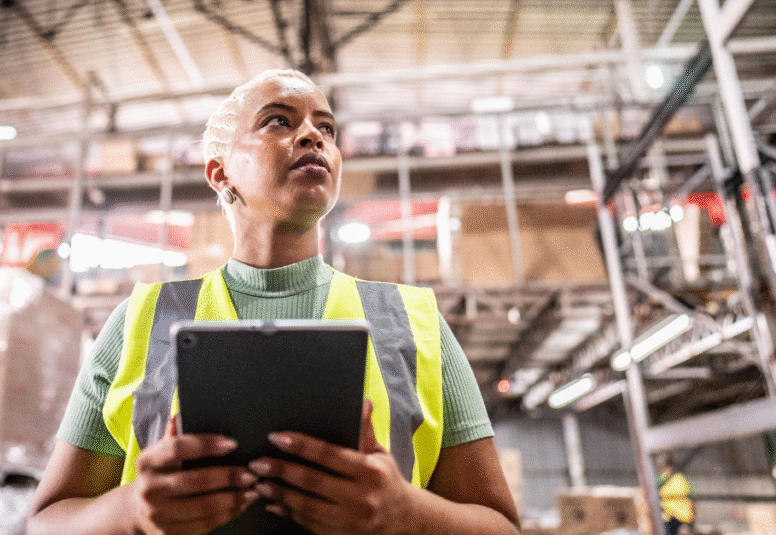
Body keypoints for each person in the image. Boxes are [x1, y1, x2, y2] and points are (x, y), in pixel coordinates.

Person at [27, 69, 521, 535]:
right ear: (220, 173)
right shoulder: (141, 320)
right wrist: (132, 509)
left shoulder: (418, 323)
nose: (314, 137)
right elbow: (47, 521)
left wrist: (405, 513)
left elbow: (501, 525)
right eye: (278, 121)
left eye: (326, 128)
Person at [658, 454, 694, 535]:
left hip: (680, 518)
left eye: (665, 466)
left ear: (670, 466)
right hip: (671, 518)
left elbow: (692, 499)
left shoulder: (680, 479)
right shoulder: (662, 480)